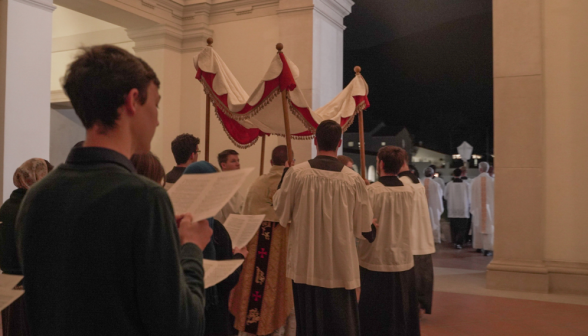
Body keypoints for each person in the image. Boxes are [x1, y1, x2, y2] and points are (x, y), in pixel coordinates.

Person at [15, 45, 211, 335]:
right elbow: (181, 326)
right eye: (155, 104)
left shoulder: (37, 196)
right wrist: (191, 248)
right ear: (133, 100)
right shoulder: (144, 197)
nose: (157, 119)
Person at [273, 120, 374, 336]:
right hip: (339, 263)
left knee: (309, 324)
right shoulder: (353, 179)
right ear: (339, 144)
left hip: (306, 262)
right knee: (339, 324)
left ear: (315, 141)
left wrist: (284, 178)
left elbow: (281, 213)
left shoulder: (297, 174)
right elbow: (363, 225)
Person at [230, 145, 296, 336]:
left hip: (255, 251)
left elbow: (246, 216)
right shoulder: (292, 186)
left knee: (254, 296)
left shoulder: (258, 183)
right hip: (281, 253)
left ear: (270, 162)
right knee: (282, 301)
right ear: (290, 163)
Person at [358, 146, 420, 336]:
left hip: (377, 258)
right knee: (401, 309)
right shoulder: (411, 191)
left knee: (375, 312)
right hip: (403, 258)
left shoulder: (372, 192)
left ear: (381, 164)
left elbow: (362, 225)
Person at [184, 161, 249, 336]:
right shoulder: (215, 230)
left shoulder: (171, 224)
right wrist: (239, 257)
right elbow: (225, 281)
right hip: (213, 318)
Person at [0, 159, 53, 336]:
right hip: (29, 289)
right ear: (38, 178)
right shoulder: (33, 208)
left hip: (7, 286)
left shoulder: (7, 206)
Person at [399, 155, 435, 318]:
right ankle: (419, 306)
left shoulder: (403, 184)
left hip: (410, 238)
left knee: (412, 278)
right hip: (421, 236)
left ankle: (413, 308)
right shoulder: (416, 182)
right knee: (422, 275)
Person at [470, 162, 495, 256]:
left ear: (480, 169)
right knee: (489, 226)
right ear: (488, 169)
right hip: (490, 208)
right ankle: (488, 247)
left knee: (478, 225)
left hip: (477, 207)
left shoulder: (474, 181)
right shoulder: (493, 181)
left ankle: (478, 246)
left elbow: (470, 194)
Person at [444, 168, 470, 249]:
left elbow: (445, 196)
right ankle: (460, 242)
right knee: (462, 227)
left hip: (453, 208)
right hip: (463, 208)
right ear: (461, 174)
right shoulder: (466, 184)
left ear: (453, 174)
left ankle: (454, 241)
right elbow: (470, 197)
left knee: (454, 226)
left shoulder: (449, 184)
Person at [215, 149, 244, 223]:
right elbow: (233, 212)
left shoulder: (232, 182)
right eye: (233, 161)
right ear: (223, 165)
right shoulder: (223, 184)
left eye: (238, 160)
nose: (238, 164)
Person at [423, 167, 443, 244]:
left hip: (421, 208)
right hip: (433, 208)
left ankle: (423, 239)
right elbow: (439, 196)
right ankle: (435, 239)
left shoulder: (419, 183)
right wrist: (439, 208)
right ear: (432, 174)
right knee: (434, 222)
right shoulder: (436, 184)